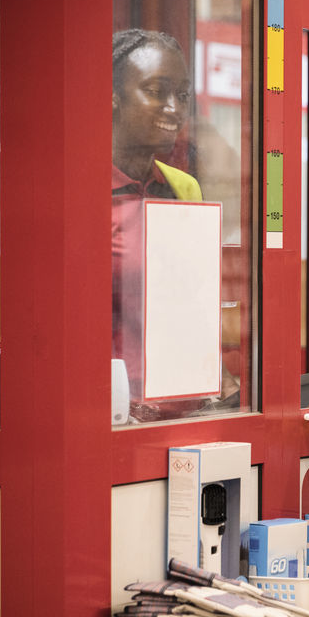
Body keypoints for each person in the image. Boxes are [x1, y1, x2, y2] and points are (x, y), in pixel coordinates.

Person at [111, 28, 201, 421]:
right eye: (156, 91)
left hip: (179, 400)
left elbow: (194, 301)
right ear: (111, 96)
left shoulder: (182, 186)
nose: (174, 109)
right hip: (107, 408)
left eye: (181, 95)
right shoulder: (75, 189)